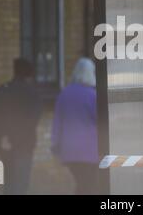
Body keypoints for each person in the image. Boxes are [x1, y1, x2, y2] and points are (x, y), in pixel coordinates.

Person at [0, 58, 42, 195]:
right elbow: (33, 120)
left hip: (5, 148)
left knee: (9, 185)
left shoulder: (1, 92)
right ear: (29, 75)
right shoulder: (32, 94)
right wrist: (17, 139)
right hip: (25, 147)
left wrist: (1, 138)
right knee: (21, 185)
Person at [51, 57, 98, 195]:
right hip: (90, 151)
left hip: (69, 151)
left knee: (81, 183)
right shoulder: (93, 95)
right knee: (88, 186)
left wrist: (55, 146)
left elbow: (57, 123)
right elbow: (99, 121)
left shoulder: (64, 94)